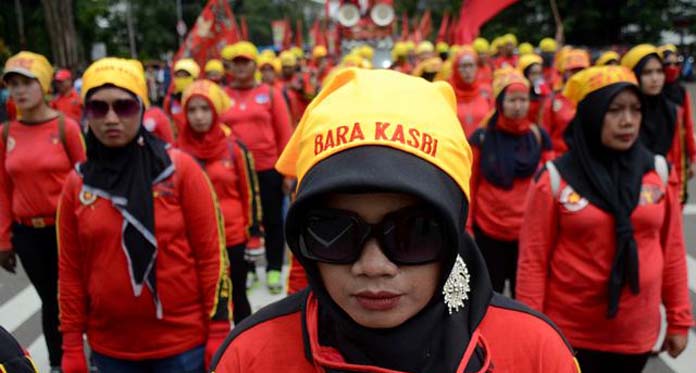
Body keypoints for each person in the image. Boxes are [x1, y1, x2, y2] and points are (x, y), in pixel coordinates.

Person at [210, 68, 579, 373]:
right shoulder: (251, 357)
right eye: (334, 233)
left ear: (453, 233)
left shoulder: (536, 354)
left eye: (413, 233)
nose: (374, 266)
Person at [57, 58, 232, 373]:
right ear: (86, 114)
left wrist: (219, 328)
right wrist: (70, 345)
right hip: (110, 350)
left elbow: (212, 257)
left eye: (123, 107)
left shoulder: (179, 170)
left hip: (183, 347)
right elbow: (70, 272)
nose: (111, 118)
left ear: (141, 108)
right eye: (99, 108)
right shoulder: (77, 184)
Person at [517, 66, 692, 373]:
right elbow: (533, 261)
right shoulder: (554, 180)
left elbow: (673, 250)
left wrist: (680, 318)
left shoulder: (658, 172)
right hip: (570, 334)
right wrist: (531, 331)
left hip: (635, 333)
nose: (628, 121)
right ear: (592, 115)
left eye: (635, 110)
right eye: (615, 110)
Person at [0, 51, 86, 372]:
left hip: (67, 231)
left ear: (45, 85)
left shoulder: (68, 128)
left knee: (75, 299)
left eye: (27, 83)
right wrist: (4, 239)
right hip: (27, 235)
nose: (19, 91)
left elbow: (86, 182)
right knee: (51, 301)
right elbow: (4, 189)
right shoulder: (6, 133)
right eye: (13, 85)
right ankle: (57, 364)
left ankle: (88, 357)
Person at [179, 79, 264, 323]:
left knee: (237, 292)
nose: (199, 116)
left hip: (233, 236)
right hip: (194, 239)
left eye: (205, 109)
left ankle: (241, 345)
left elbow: (250, 193)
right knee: (203, 296)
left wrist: (255, 233)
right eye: (192, 110)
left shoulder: (234, 149)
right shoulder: (176, 152)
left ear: (216, 111)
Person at [468, 68, 552, 297]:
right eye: (512, 99)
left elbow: (550, 185)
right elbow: (471, 182)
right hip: (488, 228)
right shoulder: (482, 137)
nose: (519, 105)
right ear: (500, 102)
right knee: (489, 295)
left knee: (523, 295)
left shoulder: (538, 136)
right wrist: (467, 225)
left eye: (523, 99)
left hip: (527, 233)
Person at [219, 42, 293, 294]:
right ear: (229, 66)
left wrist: (288, 172)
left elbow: (284, 133)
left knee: (272, 220)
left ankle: (274, 268)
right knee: (242, 223)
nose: (241, 67)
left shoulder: (270, 93)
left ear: (255, 65)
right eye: (236, 62)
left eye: (246, 61)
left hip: (267, 168)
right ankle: (247, 270)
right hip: (234, 171)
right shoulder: (221, 95)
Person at [621, 44, 696, 204]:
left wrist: (678, 194)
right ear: (634, 74)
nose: (655, 78)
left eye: (659, 71)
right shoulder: (623, 114)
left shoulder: (672, 112)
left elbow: (678, 155)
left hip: (667, 191)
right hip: (630, 193)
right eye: (647, 72)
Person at [542, 49, 590, 154]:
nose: (577, 75)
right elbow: (544, 134)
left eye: (581, 70)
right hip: (559, 157)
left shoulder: (593, 98)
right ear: (564, 72)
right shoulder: (553, 99)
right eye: (573, 71)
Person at [448, 46, 493, 137]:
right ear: (455, 69)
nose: (468, 71)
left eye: (471, 66)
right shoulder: (448, 94)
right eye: (463, 66)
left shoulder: (486, 93)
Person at [164, 58, 200, 134]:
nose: (181, 79)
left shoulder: (201, 100)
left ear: (195, 78)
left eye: (185, 76)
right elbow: (168, 123)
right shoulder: (170, 100)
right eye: (178, 76)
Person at [519, 53, 551, 125]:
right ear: (524, 74)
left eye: (539, 73)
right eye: (533, 73)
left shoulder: (543, 89)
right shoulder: (519, 93)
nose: (537, 77)